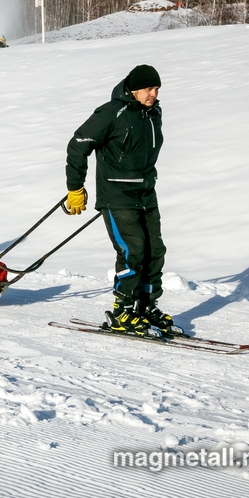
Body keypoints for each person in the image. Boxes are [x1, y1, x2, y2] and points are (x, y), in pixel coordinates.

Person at [64, 65, 181, 337]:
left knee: (155, 252)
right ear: (134, 89)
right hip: (117, 196)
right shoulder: (111, 112)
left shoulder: (153, 114)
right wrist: (75, 187)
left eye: (157, 89)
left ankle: (145, 307)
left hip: (146, 193)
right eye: (149, 89)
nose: (154, 94)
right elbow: (79, 143)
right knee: (133, 251)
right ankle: (122, 312)